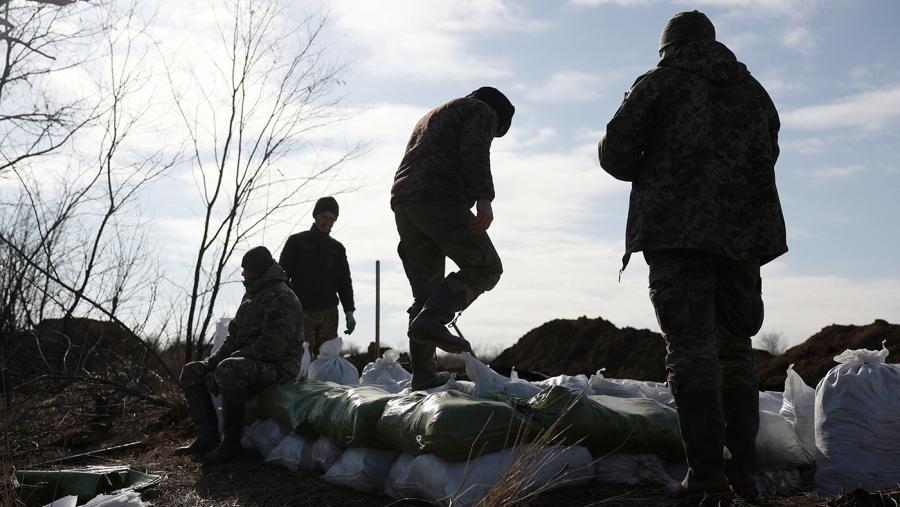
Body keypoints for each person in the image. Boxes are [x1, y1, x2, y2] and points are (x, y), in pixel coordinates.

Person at [598, 11, 787, 501]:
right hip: (743, 241)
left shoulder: (661, 83)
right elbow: (769, 149)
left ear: (669, 47)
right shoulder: (754, 91)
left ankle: (705, 478)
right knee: (736, 350)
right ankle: (741, 471)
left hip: (678, 235)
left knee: (691, 352)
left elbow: (616, 155)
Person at [391, 86, 514, 390]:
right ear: (499, 120)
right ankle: (434, 320)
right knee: (486, 267)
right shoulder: (481, 111)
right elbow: (474, 149)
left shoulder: (432, 116)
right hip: (440, 197)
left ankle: (422, 376)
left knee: (426, 293)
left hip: (405, 203)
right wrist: (484, 197)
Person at [176, 246, 303, 464]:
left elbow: (271, 348)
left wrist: (227, 362)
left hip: (280, 368)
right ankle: (206, 439)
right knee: (193, 371)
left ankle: (231, 444)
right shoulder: (251, 295)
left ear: (259, 270)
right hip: (249, 361)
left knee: (229, 369)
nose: (242, 274)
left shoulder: (282, 298)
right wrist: (212, 363)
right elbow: (233, 336)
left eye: (246, 269)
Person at [279, 196, 356, 356]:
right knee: (301, 355)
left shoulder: (337, 249)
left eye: (331, 218)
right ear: (315, 216)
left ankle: (324, 382)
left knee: (327, 358)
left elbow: (344, 282)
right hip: (301, 309)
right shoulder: (297, 242)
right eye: (324, 217)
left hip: (328, 313)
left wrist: (349, 310)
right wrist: (285, 307)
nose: (327, 221)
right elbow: (282, 278)